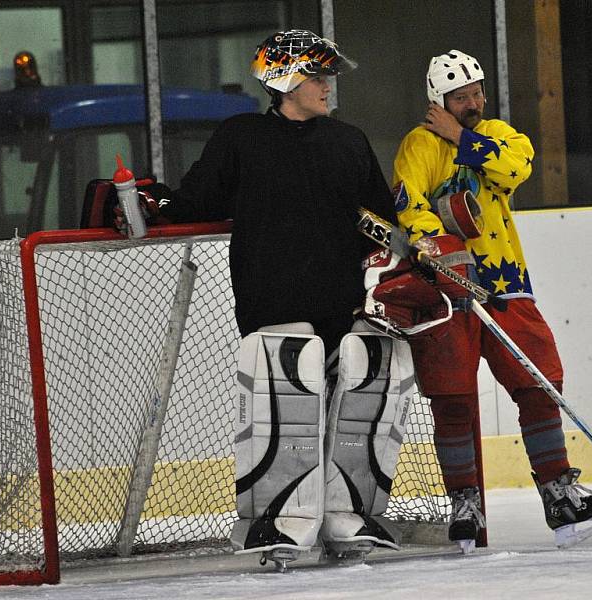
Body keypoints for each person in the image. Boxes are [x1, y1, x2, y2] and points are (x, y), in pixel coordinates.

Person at [116, 30, 410, 570]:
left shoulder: (349, 141)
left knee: (356, 407)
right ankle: (280, 521)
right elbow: (193, 201)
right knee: (287, 409)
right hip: (272, 302)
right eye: (319, 76)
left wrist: (402, 257)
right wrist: (146, 198)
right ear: (286, 80)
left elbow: (380, 225)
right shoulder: (241, 137)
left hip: (343, 306)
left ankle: (347, 516)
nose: (328, 86)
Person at [389, 49, 592, 549]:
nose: (472, 102)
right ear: (438, 100)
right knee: (452, 396)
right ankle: (464, 507)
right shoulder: (419, 145)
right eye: (460, 97)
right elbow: (409, 203)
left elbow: (515, 171)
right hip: (446, 290)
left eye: (476, 92)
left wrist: (463, 138)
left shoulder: (497, 135)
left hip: (505, 280)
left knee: (539, 381)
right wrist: (437, 247)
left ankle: (561, 497)